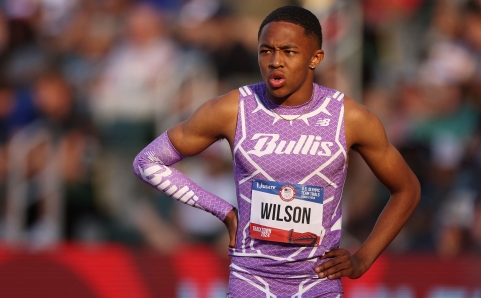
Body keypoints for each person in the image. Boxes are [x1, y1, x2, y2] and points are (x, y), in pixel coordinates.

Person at [133, 5, 421, 297]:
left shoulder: (351, 118)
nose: (275, 61)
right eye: (266, 51)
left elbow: (407, 190)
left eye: (289, 51)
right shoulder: (232, 109)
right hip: (251, 280)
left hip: (317, 284)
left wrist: (362, 259)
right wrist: (225, 212)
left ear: (315, 58)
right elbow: (148, 161)